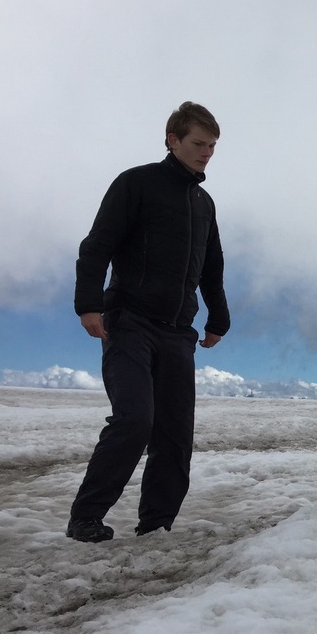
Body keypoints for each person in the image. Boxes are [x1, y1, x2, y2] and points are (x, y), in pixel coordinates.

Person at [68, 102, 231, 542]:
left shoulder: (203, 203)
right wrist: (89, 305)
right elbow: (97, 246)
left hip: (179, 331)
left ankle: (156, 525)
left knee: (175, 436)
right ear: (172, 140)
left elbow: (211, 266)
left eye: (213, 146)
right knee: (135, 419)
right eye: (199, 143)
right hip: (130, 321)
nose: (207, 153)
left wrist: (219, 316)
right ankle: (85, 517)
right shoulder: (136, 184)